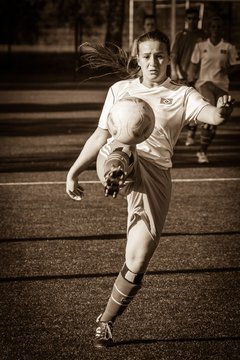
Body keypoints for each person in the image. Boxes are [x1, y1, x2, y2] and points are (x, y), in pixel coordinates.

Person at [66, 30, 234, 348]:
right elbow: (100, 135)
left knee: (138, 259)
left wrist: (222, 113)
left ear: (169, 58)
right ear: (137, 59)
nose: (153, 61)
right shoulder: (120, 90)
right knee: (125, 143)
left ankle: (105, 322)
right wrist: (74, 171)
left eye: (159, 55)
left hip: (156, 174)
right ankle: (118, 171)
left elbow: (211, 115)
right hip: (117, 157)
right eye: (146, 56)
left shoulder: (183, 95)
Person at [189, 16, 240, 163]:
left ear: (222, 29)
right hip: (204, 83)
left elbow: (236, 65)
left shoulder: (228, 47)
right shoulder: (201, 46)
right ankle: (193, 124)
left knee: (217, 119)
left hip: (222, 86)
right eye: (213, 27)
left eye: (218, 27)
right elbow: (193, 64)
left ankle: (202, 150)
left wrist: (228, 70)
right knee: (210, 108)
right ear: (209, 29)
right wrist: (190, 79)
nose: (216, 30)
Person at [171, 7, 206, 146]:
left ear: (198, 20)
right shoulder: (180, 36)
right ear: (186, 20)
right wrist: (177, 73)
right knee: (179, 108)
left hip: (198, 78)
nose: (192, 21)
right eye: (189, 18)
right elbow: (174, 57)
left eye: (194, 18)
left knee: (196, 106)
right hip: (182, 77)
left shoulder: (203, 36)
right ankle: (174, 135)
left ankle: (191, 135)